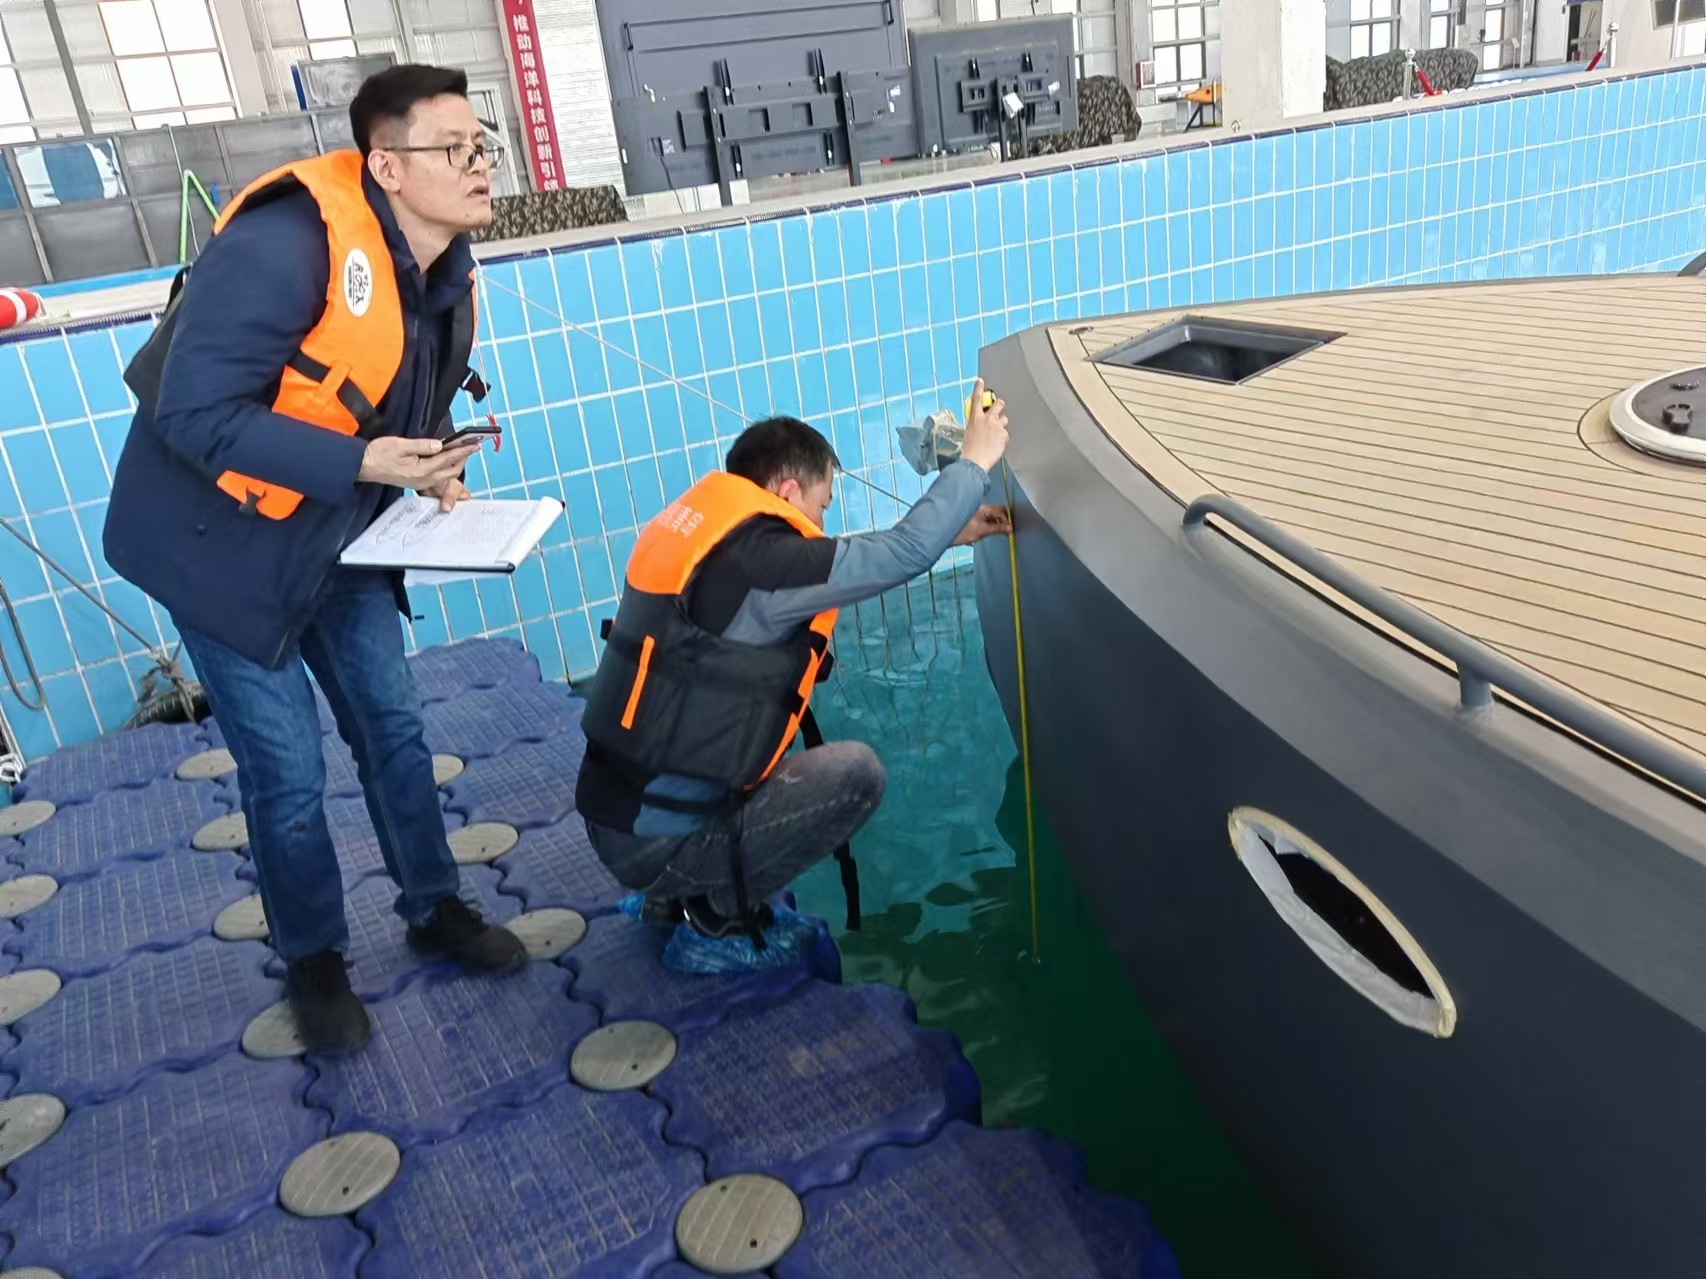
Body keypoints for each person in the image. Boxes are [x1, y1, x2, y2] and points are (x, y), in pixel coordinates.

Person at [102, 64, 525, 1053]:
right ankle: (314, 959)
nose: (478, 165)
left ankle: (434, 906)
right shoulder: (285, 243)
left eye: (483, 146)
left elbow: (392, 389)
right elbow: (192, 411)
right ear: (386, 165)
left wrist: (432, 461)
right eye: (454, 148)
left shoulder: (444, 267)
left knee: (394, 727)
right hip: (224, 551)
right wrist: (365, 462)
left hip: (343, 535)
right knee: (287, 770)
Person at [577, 382, 1012, 942]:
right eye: (822, 507)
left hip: (614, 818)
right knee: (856, 775)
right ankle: (718, 914)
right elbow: (901, 552)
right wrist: (974, 462)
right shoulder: (763, 564)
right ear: (787, 491)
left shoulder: (706, 540)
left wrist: (951, 532)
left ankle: (671, 896)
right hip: (656, 845)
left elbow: (826, 564)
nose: (821, 527)